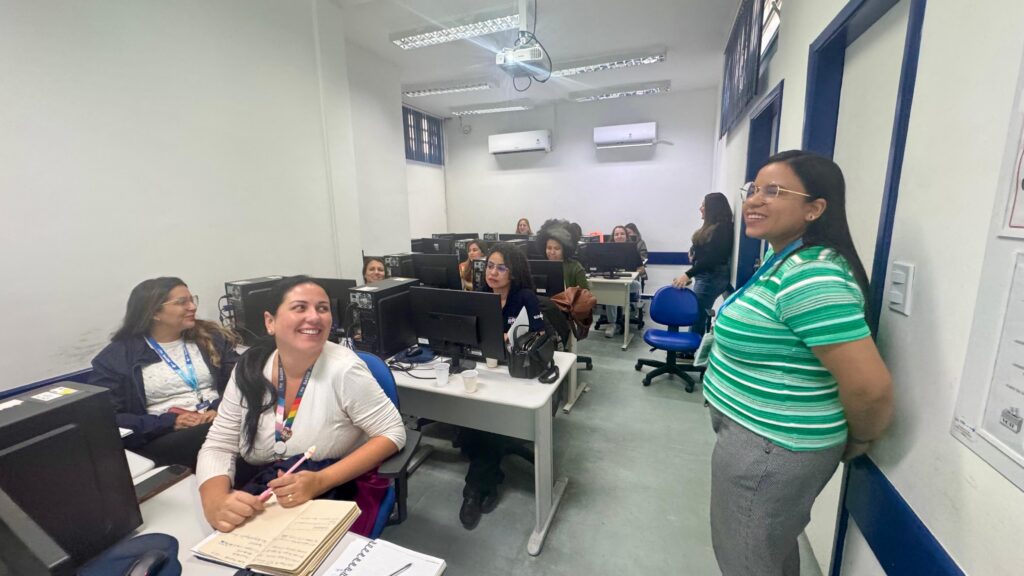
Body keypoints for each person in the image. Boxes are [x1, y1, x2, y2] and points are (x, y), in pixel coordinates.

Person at [703, 151, 893, 576]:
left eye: (774, 191)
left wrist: (859, 438)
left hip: (770, 446)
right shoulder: (785, 259)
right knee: (766, 554)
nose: (754, 200)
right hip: (759, 438)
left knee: (747, 561)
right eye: (754, 189)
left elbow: (870, 387)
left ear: (815, 208)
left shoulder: (811, 275)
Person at [197, 276, 406, 536]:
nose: (314, 317)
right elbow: (219, 444)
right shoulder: (249, 368)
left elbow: (392, 433)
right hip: (265, 487)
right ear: (270, 321)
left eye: (322, 308)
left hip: (336, 487)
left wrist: (321, 481)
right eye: (300, 307)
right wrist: (214, 499)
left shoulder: (344, 369)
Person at [90, 277, 240, 469]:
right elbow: (107, 418)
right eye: (182, 302)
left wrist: (218, 408)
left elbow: (242, 380)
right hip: (164, 435)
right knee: (220, 433)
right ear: (154, 312)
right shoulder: (117, 357)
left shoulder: (209, 338)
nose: (192, 307)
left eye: (192, 300)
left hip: (219, 418)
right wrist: (170, 422)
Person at [459, 243, 544, 530]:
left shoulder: (525, 297)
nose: (492, 272)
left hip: (517, 373)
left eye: (501, 268)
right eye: (490, 266)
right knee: (474, 417)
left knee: (488, 420)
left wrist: (514, 337)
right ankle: (491, 479)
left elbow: (538, 336)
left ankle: (473, 491)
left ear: (513, 272)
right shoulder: (481, 295)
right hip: (485, 369)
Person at [671, 193, 735, 334]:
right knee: (697, 314)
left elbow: (712, 259)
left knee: (697, 317)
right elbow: (705, 250)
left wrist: (687, 275)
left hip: (711, 277)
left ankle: (692, 346)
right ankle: (692, 344)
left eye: (704, 206)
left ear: (713, 208)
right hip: (705, 276)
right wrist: (693, 252)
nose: (700, 208)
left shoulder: (723, 229)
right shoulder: (712, 228)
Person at [603, 225, 642, 337]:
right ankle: (612, 324)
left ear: (626, 236)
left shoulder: (632, 249)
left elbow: (641, 268)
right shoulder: (607, 250)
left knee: (637, 285)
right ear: (613, 237)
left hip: (628, 281)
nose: (619, 236)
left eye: (622, 234)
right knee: (611, 291)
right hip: (613, 281)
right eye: (616, 234)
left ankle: (616, 320)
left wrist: (635, 274)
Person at [536, 219, 589, 289]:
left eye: (557, 248)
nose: (552, 252)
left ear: (565, 249)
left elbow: (585, 294)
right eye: (549, 248)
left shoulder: (576, 268)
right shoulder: (540, 267)